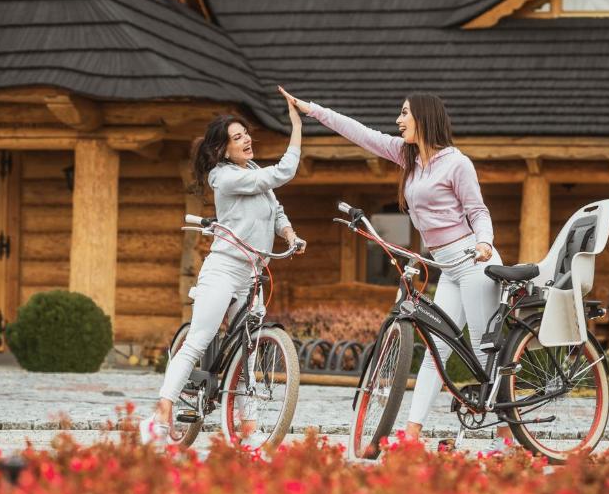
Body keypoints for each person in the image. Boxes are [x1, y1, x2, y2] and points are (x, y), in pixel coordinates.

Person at [278, 87, 512, 446]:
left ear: (424, 118)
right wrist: (312, 110)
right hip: (445, 267)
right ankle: (412, 433)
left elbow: (478, 211)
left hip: (473, 260)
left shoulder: (457, 163)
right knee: (437, 350)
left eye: (405, 113)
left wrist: (484, 242)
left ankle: (504, 433)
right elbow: (361, 133)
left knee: (485, 349)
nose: (398, 120)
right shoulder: (409, 159)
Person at [142, 93, 305, 445]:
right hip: (224, 269)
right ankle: (163, 409)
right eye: (237, 137)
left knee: (249, 349)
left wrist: (290, 235)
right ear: (222, 149)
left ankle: (249, 426)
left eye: (246, 133)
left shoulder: (253, 171)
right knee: (199, 339)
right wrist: (296, 126)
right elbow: (282, 174)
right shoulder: (224, 178)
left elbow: (275, 211)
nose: (246, 139)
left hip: (254, 272)